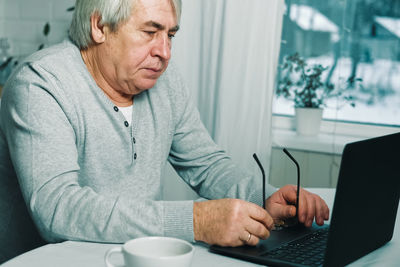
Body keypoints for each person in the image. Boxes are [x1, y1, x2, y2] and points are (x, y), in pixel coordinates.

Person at [0, 0, 329, 247]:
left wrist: (264, 198)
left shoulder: (163, 82)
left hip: (138, 255)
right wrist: (197, 220)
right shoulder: (40, 84)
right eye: (150, 32)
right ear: (99, 26)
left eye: (170, 34)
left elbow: (206, 163)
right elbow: (58, 210)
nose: (165, 52)